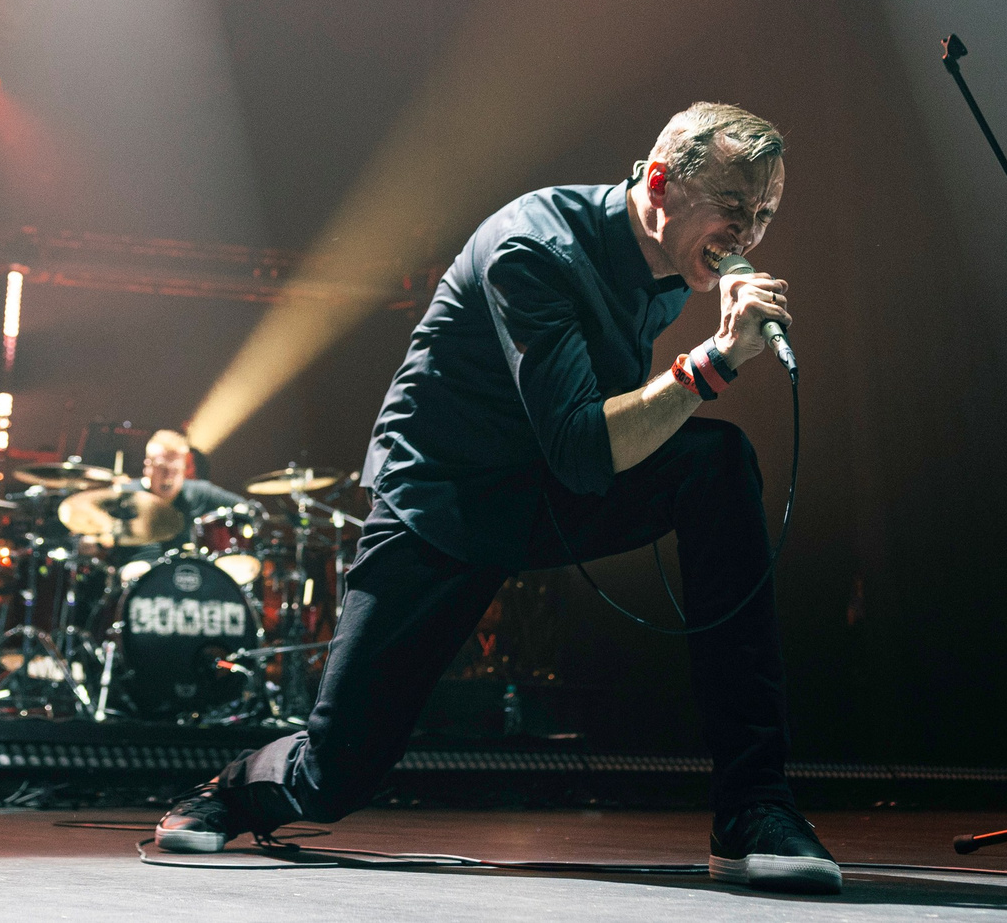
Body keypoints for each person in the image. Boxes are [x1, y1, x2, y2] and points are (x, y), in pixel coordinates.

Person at [157, 102, 840, 894]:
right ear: (660, 182)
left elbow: (589, 446)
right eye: (734, 209)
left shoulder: (671, 268)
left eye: (763, 215)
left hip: (547, 485)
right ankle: (236, 786)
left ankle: (754, 803)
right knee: (334, 778)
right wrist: (715, 361)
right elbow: (586, 449)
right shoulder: (535, 248)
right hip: (445, 502)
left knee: (718, 464)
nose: (749, 235)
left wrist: (696, 368)